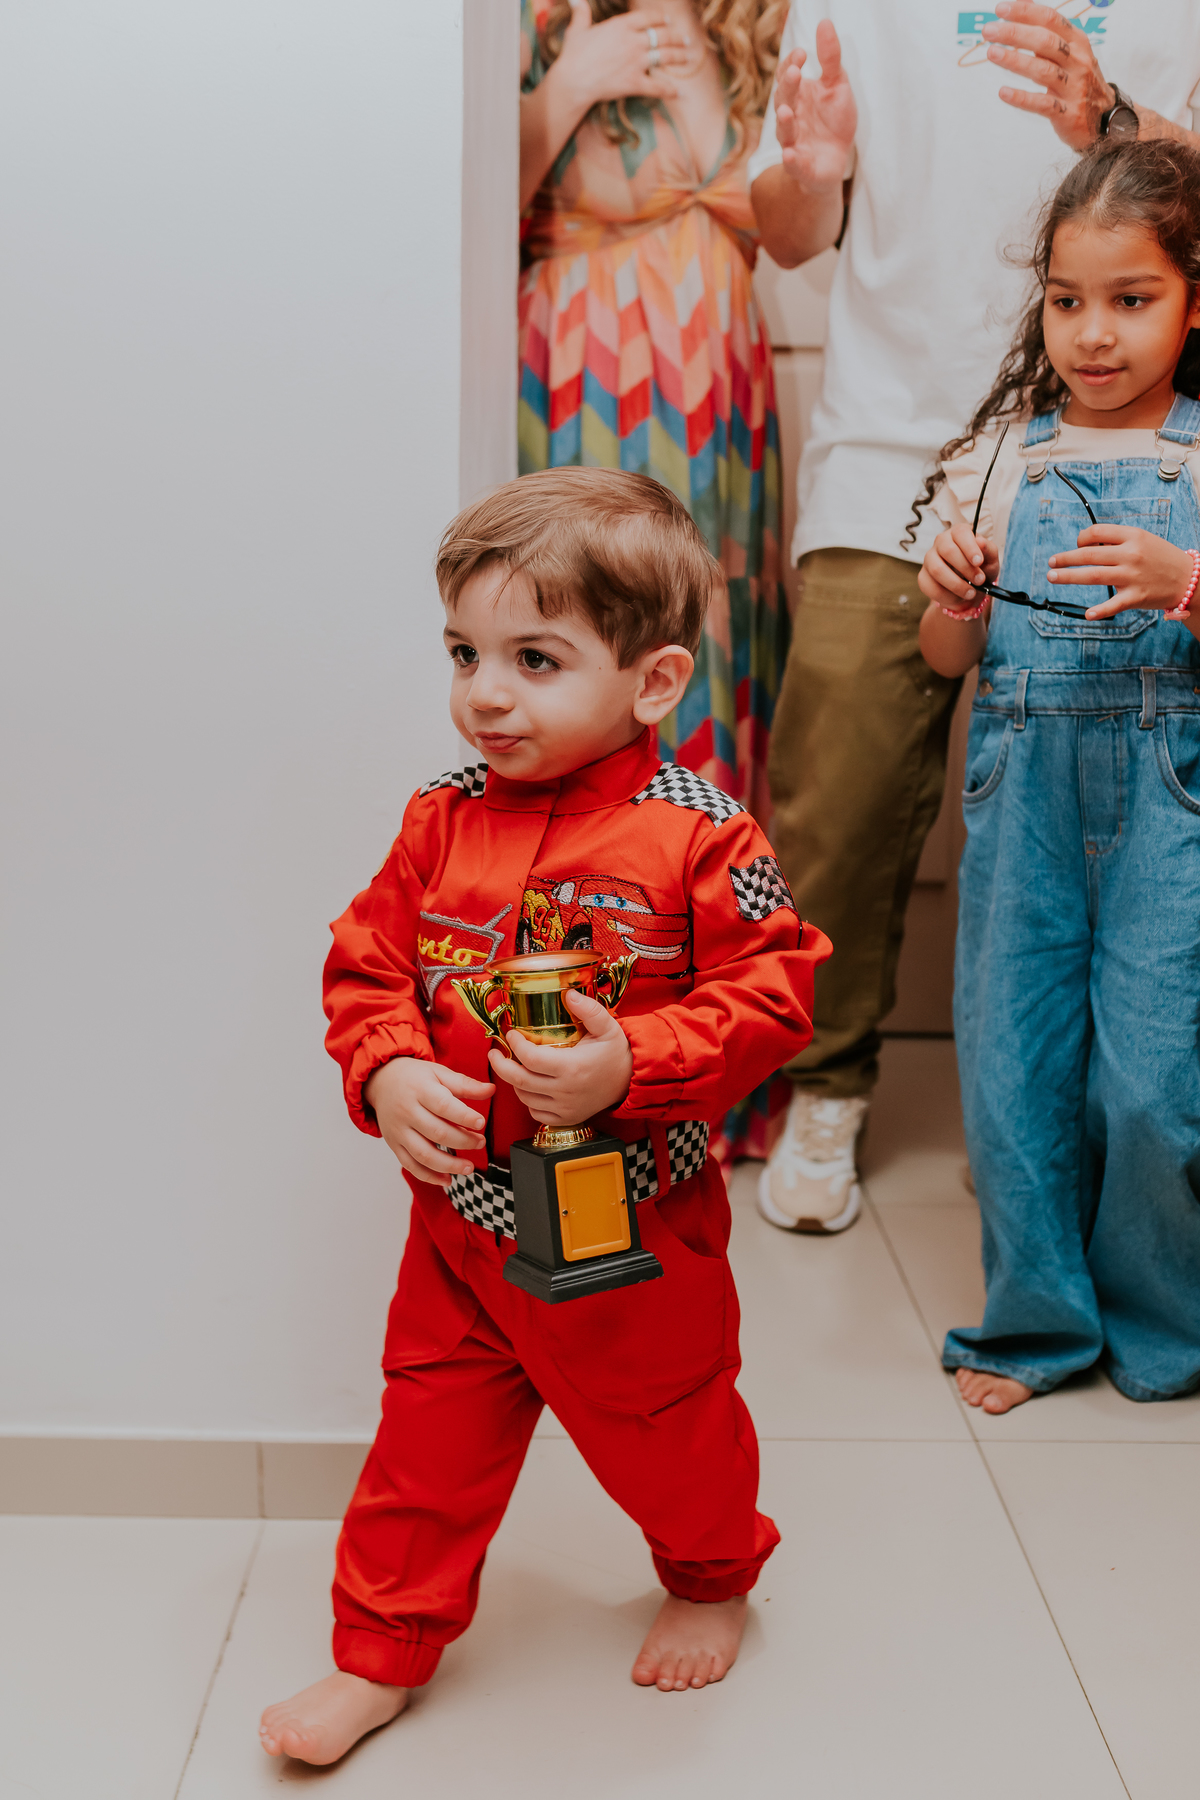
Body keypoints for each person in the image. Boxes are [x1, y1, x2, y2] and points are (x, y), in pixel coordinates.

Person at [258, 468, 830, 1763]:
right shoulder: (439, 820)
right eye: (465, 652)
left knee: (671, 1435)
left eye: (535, 657)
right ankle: (379, 1652)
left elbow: (777, 991)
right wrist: (390, 1069)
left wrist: (638, 1064)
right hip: (462, 1231)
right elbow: (366, 966)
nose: (486, 693)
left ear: (655, 679)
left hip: (632, 1239)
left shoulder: (701, 837)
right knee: (424, 1446)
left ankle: (712, 1574)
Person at [746, 2, 1200, 1236]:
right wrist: (810, 171)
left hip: (1116, 439)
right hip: (890, 451)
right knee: (834, 790)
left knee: (1109, 824)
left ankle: (1049, 1122)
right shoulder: (849, 13)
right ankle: (824, 1088)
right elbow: (785, 234)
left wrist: (1107, 122)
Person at [917, 139, 1200, 1414]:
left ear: (1195, 300)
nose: (1094, 334)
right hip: (1020, 788)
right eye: (1068, 300)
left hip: (1169, 801)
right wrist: (949, 598)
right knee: (1015, 1059)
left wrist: (1182, 583)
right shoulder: (995, 452)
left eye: (1131, 300)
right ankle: (1034, 1327)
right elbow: (946, 651)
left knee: (1152, 1079)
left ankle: (1161, 1323)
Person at [518, 0, 788, 837]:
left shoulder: (748, 18)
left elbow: (783, 212)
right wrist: (568, 86)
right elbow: (458, 208)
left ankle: (698, 891)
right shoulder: (532, 19)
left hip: (720, 389)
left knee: (711, 622)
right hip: (584, 369)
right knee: (586, 612)